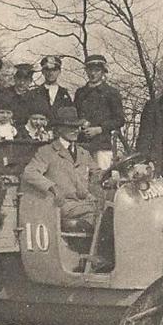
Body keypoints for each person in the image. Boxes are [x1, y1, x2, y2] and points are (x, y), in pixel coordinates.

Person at [22, 107, 106, 271]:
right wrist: (51, 187)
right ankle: (95, 259)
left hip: (84, 203)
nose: (75, 131)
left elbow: (97, 174)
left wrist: (114, 174)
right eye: (70, 127)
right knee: (103, 213)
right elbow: (30, 172)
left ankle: (93, 259)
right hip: (64, 205)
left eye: (77, 127)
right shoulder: (47, 152)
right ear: (59, 129)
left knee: (112, 209)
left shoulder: (83, 152)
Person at [75, 54, 126, 171]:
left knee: (102, 178)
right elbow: (75, 115)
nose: (93, 74)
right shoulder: (80, 93)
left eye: (97, 70)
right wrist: (78, 125)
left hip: (102, 144)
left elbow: (120, 119)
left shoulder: (111, 93)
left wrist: (100, 129)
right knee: (81, 177)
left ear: (103, 72)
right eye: (90, 70)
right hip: (82, 144)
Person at [0, 63, 40, 129]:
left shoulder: (34, 98)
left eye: (26, 79)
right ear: (15, 78)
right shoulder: (4, 94)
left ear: (30, 81)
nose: (22, 83)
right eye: (19, 79)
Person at [30, 55, 73, 120]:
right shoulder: (34, 93)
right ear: (43, 72)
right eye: (47, 70)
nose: (51, 73)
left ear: (59, 71)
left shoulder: (64, 94)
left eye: (54, 70)